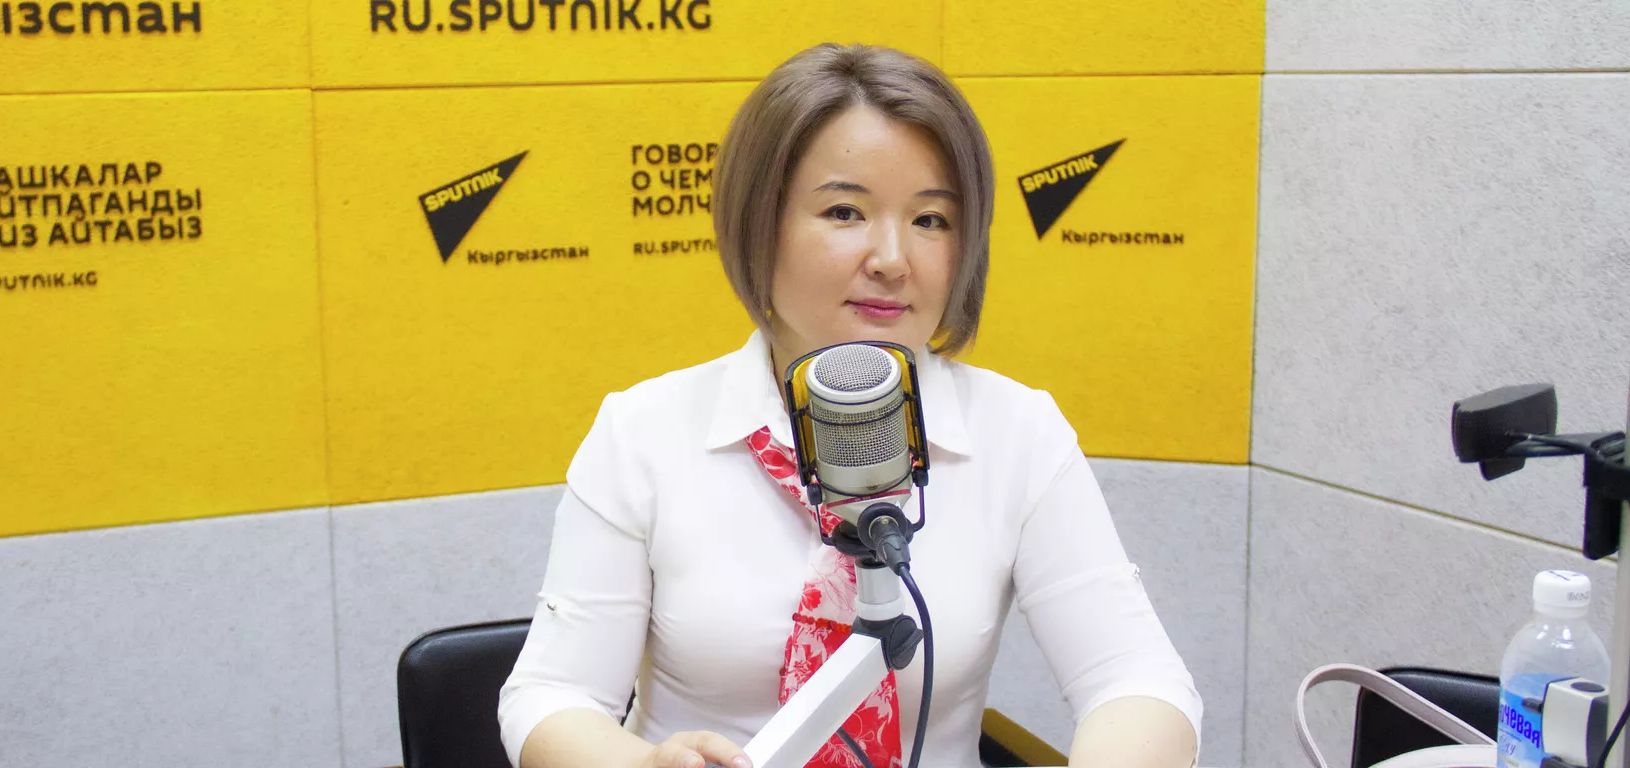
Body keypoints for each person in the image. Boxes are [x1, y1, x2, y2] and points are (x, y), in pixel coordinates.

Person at [498, 42, 1202, 768]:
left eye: (931, 220)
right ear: (759, 222)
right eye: (845, 211)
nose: (893, 259)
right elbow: (551, 695)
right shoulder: (643, 433)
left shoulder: (1018, 432)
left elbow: (1137, 680)